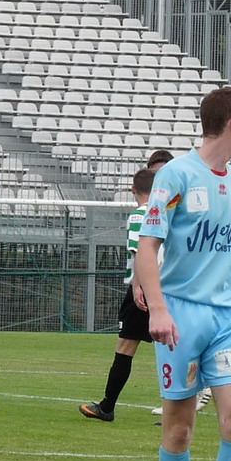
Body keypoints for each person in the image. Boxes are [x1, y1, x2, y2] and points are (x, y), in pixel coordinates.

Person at [135, 87, 231, 461]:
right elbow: (148, 248)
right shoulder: (176, 175)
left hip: (228, 317)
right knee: (180, 430)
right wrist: (158, 310)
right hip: (182, 316)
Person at [79, 167, 157, 422]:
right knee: (175, 347)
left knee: (125, 346)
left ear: (133, 190)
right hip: (169, 288)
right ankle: (180, 409)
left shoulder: (139, 215)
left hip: (144, 288)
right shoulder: (168, 214)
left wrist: (136, 286)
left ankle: (107, 406)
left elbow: (140, 252)